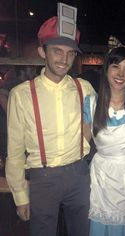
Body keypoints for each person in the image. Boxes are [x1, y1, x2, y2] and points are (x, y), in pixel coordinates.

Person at [6, 16, 95, 236]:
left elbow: (102, 122)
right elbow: (15, 151)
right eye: (57, 51)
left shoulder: (84, 88)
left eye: (70, 53)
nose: (65, 59)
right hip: (42, 179)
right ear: (42, 52)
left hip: (80, 174)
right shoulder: (21, 95)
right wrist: (20, 196)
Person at [83, 46, 125, 236]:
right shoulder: (91, 103)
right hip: (102, 177)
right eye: (115, 66)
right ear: (106, 69)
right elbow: (81, 144)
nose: (121, 74)